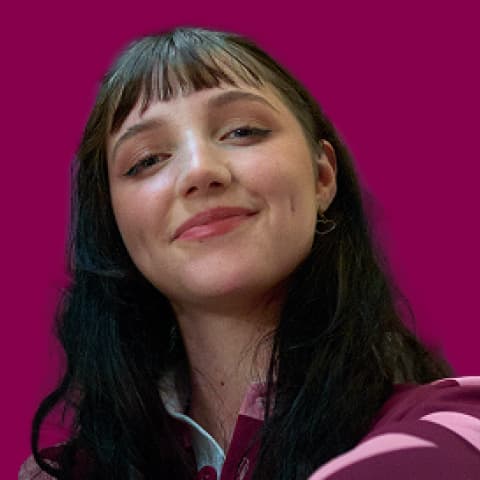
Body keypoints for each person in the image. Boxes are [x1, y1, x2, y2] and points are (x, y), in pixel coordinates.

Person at [20, 27, 480, 480]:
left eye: (242, 131)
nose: (199, 171)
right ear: (115, 224)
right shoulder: (61, 473)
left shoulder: (455, 423)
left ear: (323, 177)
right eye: (147, 160)